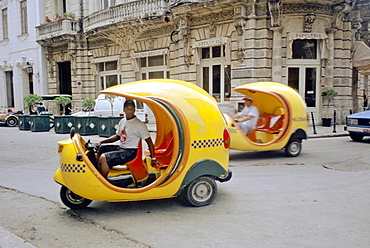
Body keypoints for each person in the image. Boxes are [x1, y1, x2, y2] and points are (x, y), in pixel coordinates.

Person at [97, 99, 159, 178]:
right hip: (121, 148)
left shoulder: (140, 125)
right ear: (124, 110)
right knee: (99, 149)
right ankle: (100, 172)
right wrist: (101, 142)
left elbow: (149, 141)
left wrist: (153, 158)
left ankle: (102, 181)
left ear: (135, 110)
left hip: (131, 152)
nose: (130, 111)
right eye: (128, 109)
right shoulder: (122, 121)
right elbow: (118, 137)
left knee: (104, 158)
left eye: (132, 109)